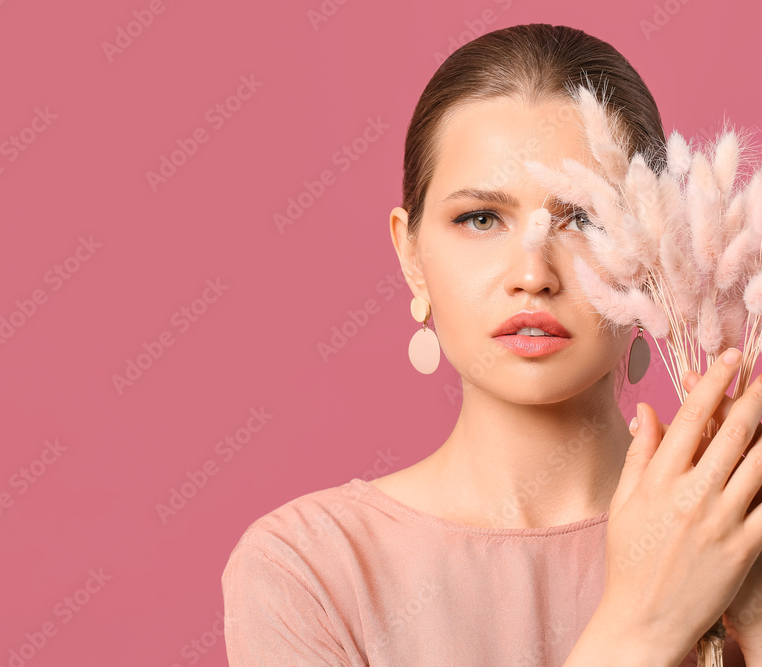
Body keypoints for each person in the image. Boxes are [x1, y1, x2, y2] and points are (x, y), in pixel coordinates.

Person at [221, 22, 762, 667]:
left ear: (657, 247)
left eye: (583, 218)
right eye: (480, 219)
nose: (532, 275)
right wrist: (641, 626)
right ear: (412, 255)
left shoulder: (739, 527)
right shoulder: (308, 567)